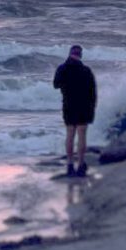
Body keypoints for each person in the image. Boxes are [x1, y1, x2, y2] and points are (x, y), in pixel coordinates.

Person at [53, 45, 97, 177]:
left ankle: (70, 165)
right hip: (84, 106)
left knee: (70, 134)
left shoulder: (62, 68)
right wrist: (92, 108)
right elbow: (92, 92)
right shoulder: (86, 70)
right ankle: (81, 165)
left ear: (70, 54)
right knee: (82, 135)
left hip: (68, 104)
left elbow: (55, 85)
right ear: (81, 55)